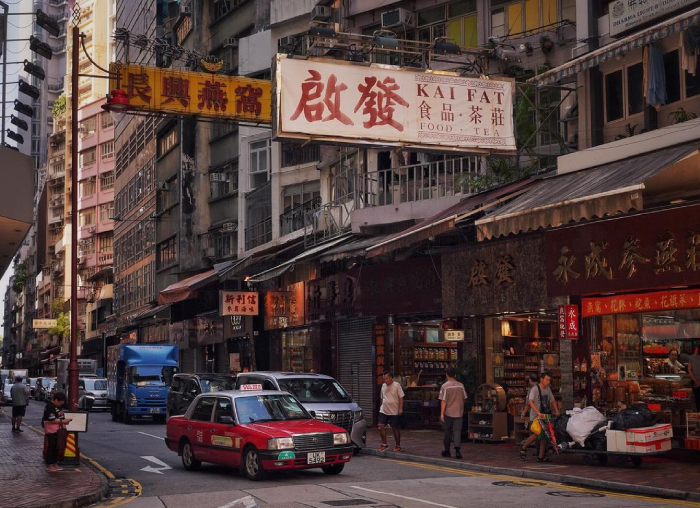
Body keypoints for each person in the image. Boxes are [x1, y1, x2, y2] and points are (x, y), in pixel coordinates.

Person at [519, 372, 560, 462]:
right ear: (541, 379)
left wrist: (556, 410)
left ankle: (541, 457)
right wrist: (537, 412)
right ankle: (524, 447)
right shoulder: (535, 389)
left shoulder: (548, 389)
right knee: (537, 434)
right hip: (536, 416)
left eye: (549, 380)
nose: (548, 382)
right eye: (547, 380)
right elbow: (530, 402)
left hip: (545, 414)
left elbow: (552, 400)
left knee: (544, 435)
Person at [439, 368, 468, 459]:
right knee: (457, 431)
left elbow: (443, 401)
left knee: (447, 432)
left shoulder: (445, 386)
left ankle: (447, 450)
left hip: (448, 412)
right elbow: (464, 398)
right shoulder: (461, 386)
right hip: (459, 412)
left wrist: (442, 413)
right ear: (455, 375)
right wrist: (461, 408)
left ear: (447, 375)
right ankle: (458, 451)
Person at [42, 391, 72, 472]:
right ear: (55, 400)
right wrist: (63, 421)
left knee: (57, 446)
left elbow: (60, 416)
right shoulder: (50, 406)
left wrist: (65, 421)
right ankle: (50, 464)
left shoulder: (58, 407)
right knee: (51, 446)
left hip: (58, 429)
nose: (61, 404)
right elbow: (52, 419)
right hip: (51, 430)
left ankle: (55, 463)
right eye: (60, 402)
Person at [377, 371, 404, 452]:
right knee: (381, 425)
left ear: (391, 377)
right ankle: (384, 444)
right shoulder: (383, 386)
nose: (385, 380)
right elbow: (382, 397)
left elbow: (401, 397)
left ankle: (397, 445)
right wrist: (381, 407)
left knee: (395, 427)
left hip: (394, 410)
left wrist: (400, 408)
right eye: (384, 379)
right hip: (384, 410)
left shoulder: (397, 385)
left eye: (387, 378)